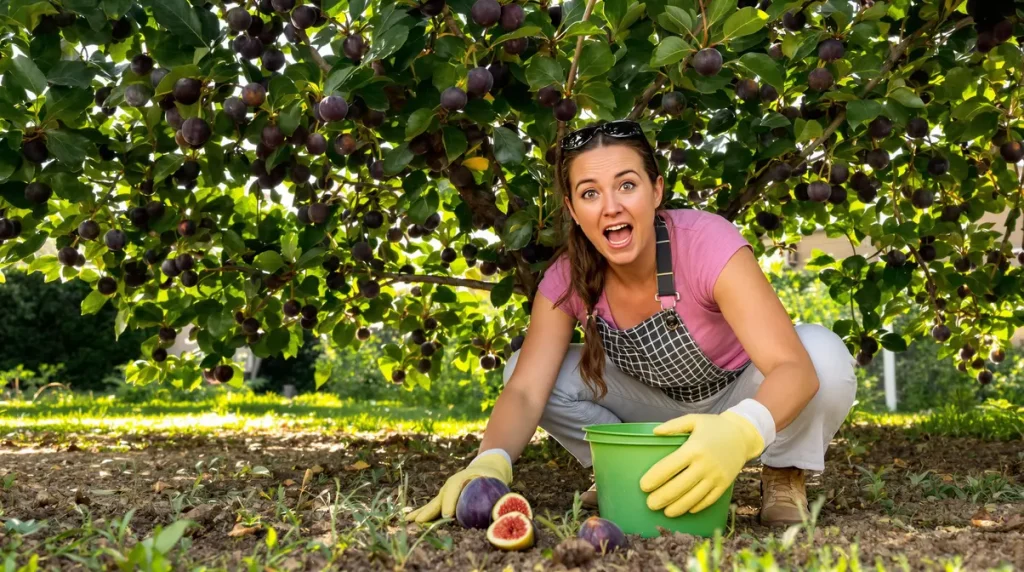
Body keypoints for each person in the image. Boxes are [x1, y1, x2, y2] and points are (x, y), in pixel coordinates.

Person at [405, 119, 858, 527]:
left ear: (656, 190)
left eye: (626, 185)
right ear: (572, 207)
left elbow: (791, 369)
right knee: (525, 368)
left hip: (740, 396)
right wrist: (490, 461)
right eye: (589, 193)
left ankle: (783, 471)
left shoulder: (707, 242)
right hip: (653, 411)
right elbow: (525, 392)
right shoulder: (566, 279)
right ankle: (623, 469)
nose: (610, 207)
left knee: (822, 358)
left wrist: (740, 432)